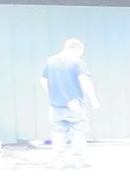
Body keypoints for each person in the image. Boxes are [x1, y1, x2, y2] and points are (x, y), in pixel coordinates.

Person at [39, 39, 97, 168]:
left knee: (58, 132)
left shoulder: (50, 62)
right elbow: (84, 81)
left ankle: (58, 161)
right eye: (80, 52)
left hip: (55, 105)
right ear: (76, 48)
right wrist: (93, 98)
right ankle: (79, 160)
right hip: (75, 104)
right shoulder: (77, 63)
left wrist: (53, 94)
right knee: (78, 131)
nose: (80, 55)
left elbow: (44, 81)